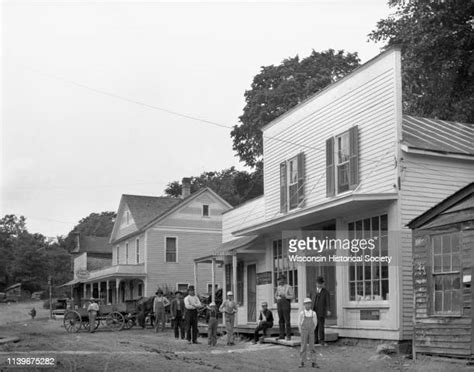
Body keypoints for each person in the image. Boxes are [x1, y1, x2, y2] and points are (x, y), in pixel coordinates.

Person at [298, 298, 318, 368]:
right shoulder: (302, 313)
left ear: (311, 305)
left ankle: (314, 362)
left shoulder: (313, 313)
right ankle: (302, 362)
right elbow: (299, 323)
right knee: (303, 346)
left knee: (312, 346)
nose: (308, 305)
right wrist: (301, 330)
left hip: (311, 331)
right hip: (304, 331)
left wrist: (312, 329)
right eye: (306, 304)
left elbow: (315, 323)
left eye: (309, 304)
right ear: (304, 305)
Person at [311, 276, 330, 346]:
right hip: (313, 310)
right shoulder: (313, 291)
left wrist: (328, 310)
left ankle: (322, 340)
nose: (319, 285)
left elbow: (328, 302)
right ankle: (315, 340)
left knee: (321, 326)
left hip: (321, 310)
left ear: (322, 284)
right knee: (314, 326)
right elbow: (310, 300)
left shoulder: (325, 292)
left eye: (321, 283)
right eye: (318, 283)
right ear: (316, 283)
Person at [275, 274, 294, 340]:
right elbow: (276, 295)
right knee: (281, 320)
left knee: (287, 320)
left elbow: (292, 296)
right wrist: (278, 298)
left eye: (281, 279)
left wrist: (285, 296)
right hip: (279, 303)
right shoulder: (278, 287)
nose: (280, 281)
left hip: (286, 303)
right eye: (279, 280)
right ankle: (281, 335)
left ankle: (288, 336)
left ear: (284, 280)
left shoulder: (289, 287)